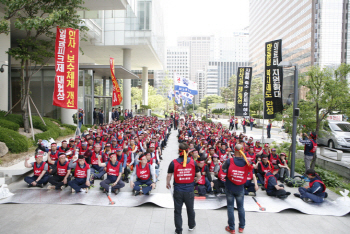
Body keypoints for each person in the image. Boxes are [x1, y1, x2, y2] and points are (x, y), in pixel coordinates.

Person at [166, 143, 201, 234]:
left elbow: (169, 175)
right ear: (188, 151)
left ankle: (179, 230)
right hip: (189, 190)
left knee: (177, 211)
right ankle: (191, 226)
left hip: (178, 190)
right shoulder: (193, 162)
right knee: (190, 210)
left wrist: (167, 183)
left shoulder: (173, 162)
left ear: (179, 150)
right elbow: (199, 175)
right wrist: (196, 180)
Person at [222, 144, 253, 234]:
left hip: (230, 187)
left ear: (234, 151)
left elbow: (223, 168)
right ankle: (241, 227)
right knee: (240, 208)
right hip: (240, 188)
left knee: (230, 207)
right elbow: (248, 173)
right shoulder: (246, 162)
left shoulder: (229, 160)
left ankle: (231, 228)